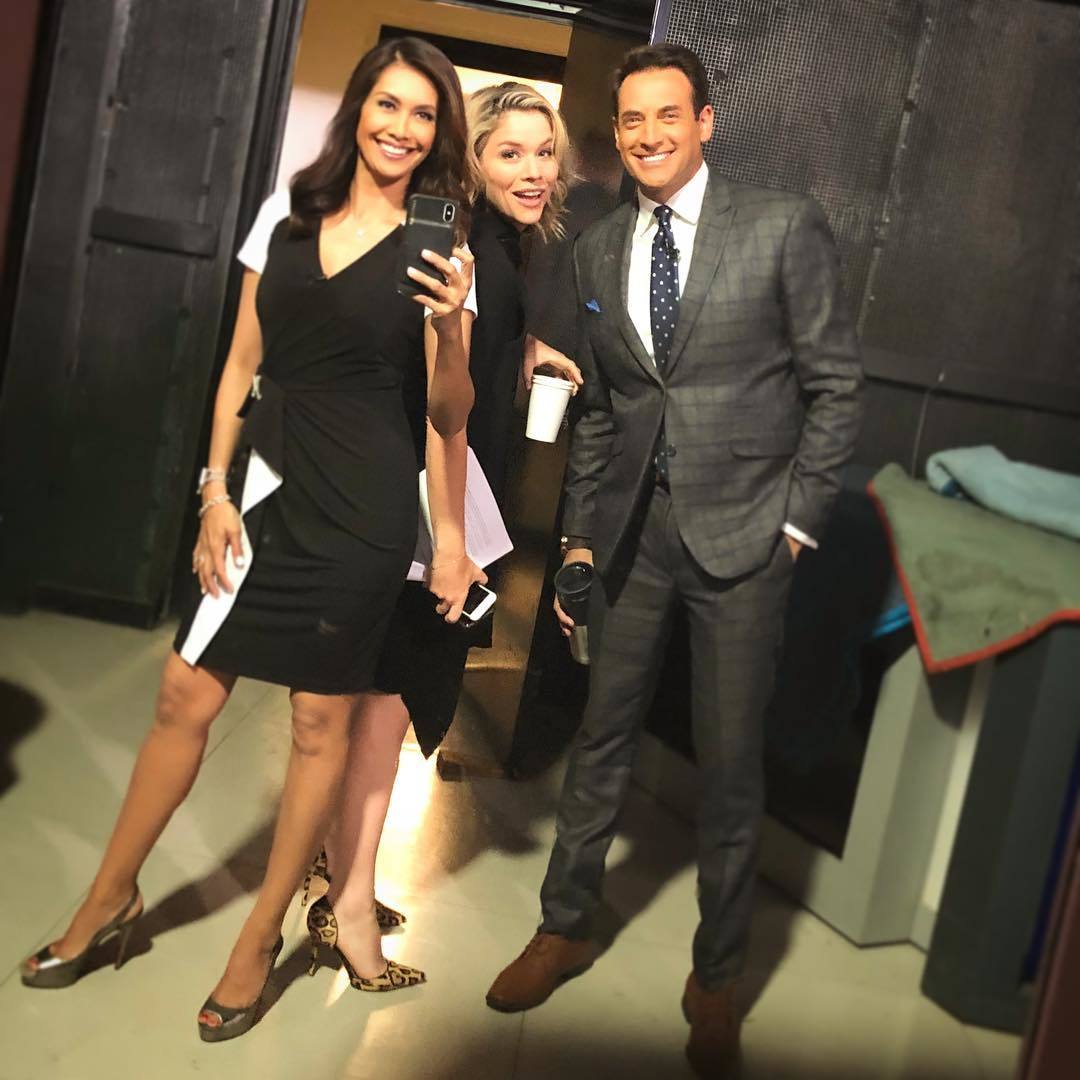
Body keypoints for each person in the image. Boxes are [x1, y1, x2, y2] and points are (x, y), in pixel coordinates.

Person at [21, 36, 475, 1042]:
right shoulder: (290, 212)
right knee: (183, 694)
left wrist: (452, 327)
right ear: (359, 107)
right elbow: (238, 366)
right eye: (388, 104)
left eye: (424, 114)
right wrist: (213, 491)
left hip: (361, 514)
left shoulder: (444, 251)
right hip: (261, 492)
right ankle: (109, 898)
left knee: (318, 725)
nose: (402, 128)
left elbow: (449, 415)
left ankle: (258, 937)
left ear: (439, 133)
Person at [486, 44, 863, 1079]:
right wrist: (578, 536)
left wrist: (797, 524)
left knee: (731, 765)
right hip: (630, 540)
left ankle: (718, 974)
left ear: (705, 121)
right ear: (616, 135)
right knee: (600, 738)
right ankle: (564, 926)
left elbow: (835, 386)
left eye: (667, 115)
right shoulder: (599, 249)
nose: (647, 136)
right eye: (630, 121)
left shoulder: (781, 225)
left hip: (748, 540)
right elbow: (607, 409)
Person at [303, 83, 580, 986]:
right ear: (473, 160)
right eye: (511, 153)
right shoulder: (461, 246)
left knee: (379, 701)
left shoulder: (498, 247)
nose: (533, 171)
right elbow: (428, 396)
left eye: (545, 153)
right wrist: (450, 543)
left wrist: (525, 350)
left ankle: (335, 870)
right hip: (434, 512)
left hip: (438, 506)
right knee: (387, 708)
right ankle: (347, 909)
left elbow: (462, 349)